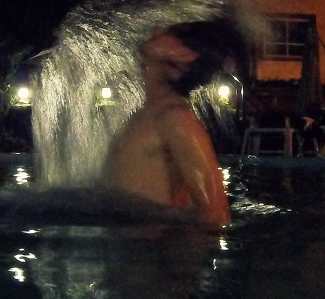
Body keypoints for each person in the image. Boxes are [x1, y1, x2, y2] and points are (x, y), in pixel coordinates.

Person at [101, 21, 242, 227]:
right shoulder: (146, 115)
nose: (156, 29)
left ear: (185, 55)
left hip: (149, 245)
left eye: (171, 33)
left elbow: (216, 215)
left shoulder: (177, 119)